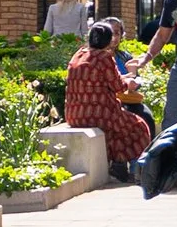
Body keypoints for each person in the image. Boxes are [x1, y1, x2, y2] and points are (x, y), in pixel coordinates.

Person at [62, 19, 154, 175]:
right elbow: (118, 86)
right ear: (108, 40)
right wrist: (129, 81)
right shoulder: (104, 57)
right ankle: (136, 169)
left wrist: (123, 79)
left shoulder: (78, 55)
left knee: (119, 127)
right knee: (139, 126)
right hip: (99, 114)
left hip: (74, 115)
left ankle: (118, 165)